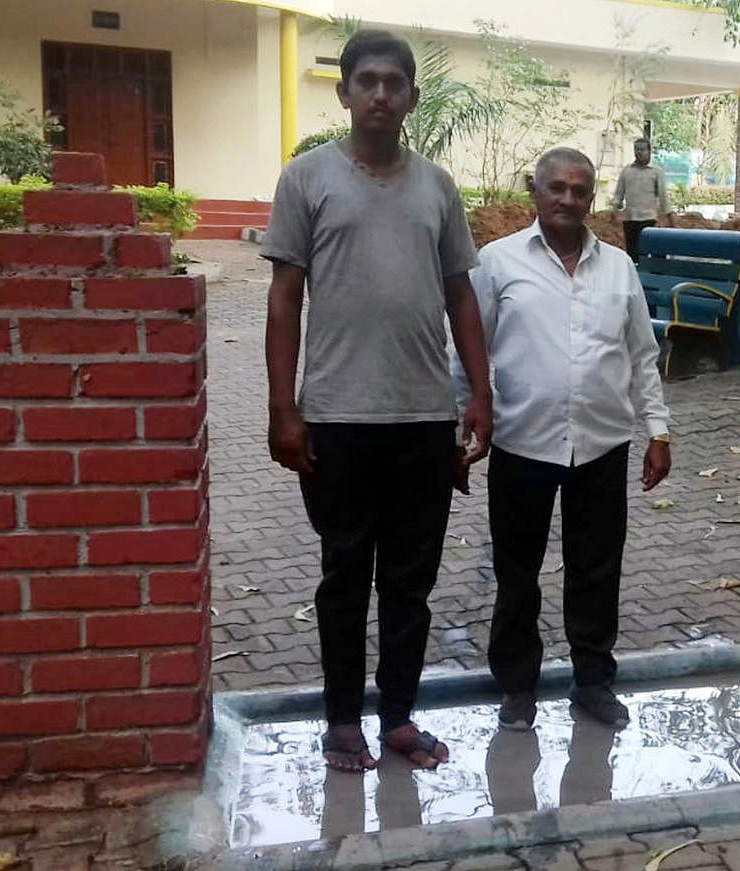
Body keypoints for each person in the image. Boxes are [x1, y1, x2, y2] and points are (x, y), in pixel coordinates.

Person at [263, 29, 492, 773]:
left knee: (410, 583)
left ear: (412, 98)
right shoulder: (306, 179)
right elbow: (283, 297)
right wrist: (283, 408)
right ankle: (340, 721)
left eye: (396, 83)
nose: (382, 94)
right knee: (344, 574)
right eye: (368, 81)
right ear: (345, 92)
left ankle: (396, 716)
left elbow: (461, 292)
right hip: (336, 416)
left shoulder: (437, 186)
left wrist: (479, 393)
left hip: (423, 418)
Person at [452, 147, 672, 732]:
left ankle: (592, 681)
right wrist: (464, 423)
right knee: (517, 571)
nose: (568, 200)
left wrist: (657, 429)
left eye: (579, 191)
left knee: (596, 569)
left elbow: (641, 355)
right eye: (557, 188)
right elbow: (468, 356)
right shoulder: (497, 263)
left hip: (602, 445)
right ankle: (518, 687)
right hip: (522, 444)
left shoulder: (619, 267)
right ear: (536, 191)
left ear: (592, 198)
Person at [611, 138, 674, 263]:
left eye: (642, 149)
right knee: (633, 257)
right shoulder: (626, 171)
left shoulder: (656, 172)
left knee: (653, 254)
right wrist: (614, 211)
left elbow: (663, 197)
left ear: (649, 151)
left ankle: (653, 279)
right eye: (637, 149)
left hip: (649, 220)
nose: (639, 152)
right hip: (630, 220)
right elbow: (618, 194)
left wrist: (670, 218)